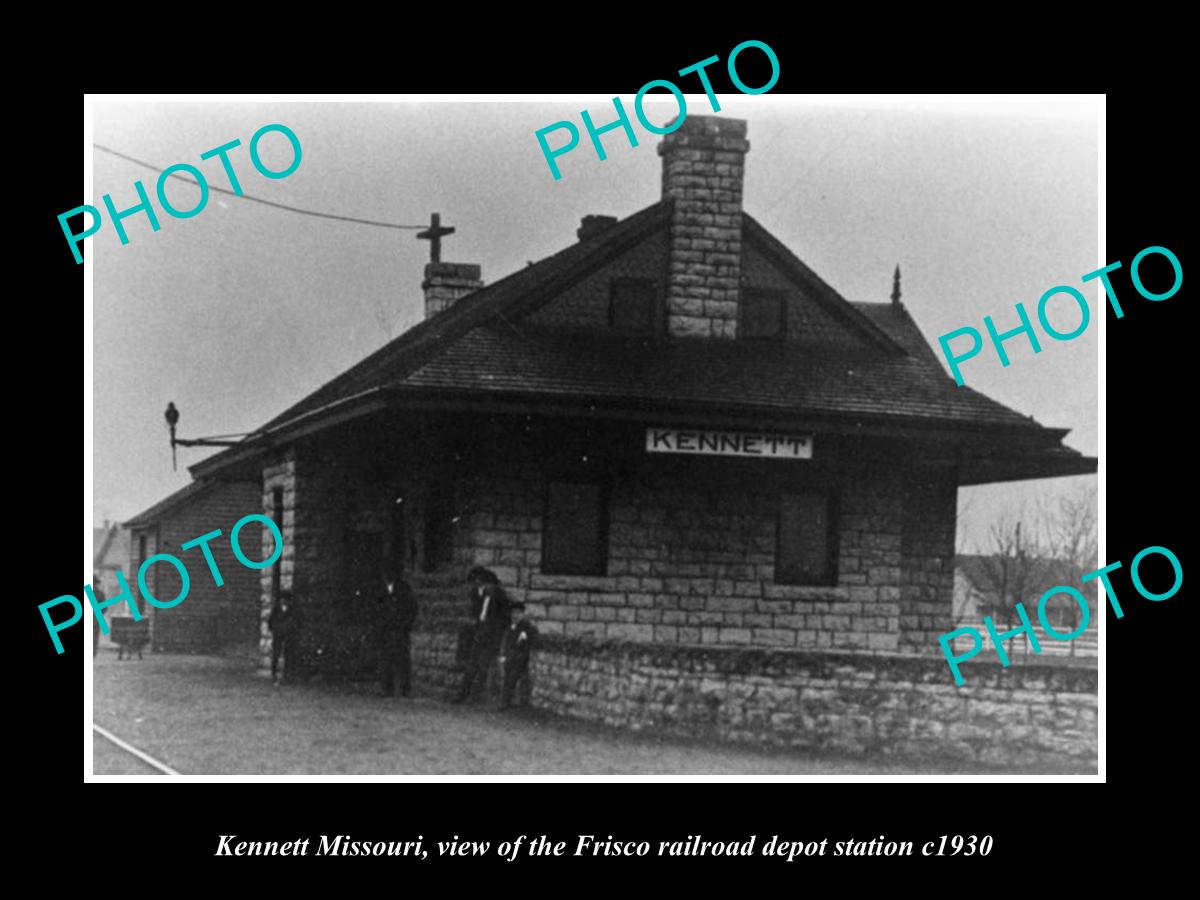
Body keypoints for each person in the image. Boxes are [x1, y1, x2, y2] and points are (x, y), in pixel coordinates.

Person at [453, 566, 511, 704]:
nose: (485, 587)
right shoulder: (480, 594)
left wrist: (493, 629)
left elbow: (505, 619)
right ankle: (462, 694)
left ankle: (475, 696)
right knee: (472, 664)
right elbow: (478, 613)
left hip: (492, 635)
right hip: (480, 632)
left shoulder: (500, 596)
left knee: (483, 666)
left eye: (487, 584)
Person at [377, 571, 418, 698]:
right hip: (387, 630)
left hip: (400, 629)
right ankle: (387, 688)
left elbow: (413, 607)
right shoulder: (381, 589)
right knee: (386, 660)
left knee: (403, 660)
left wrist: (406, 624)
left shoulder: (404, 589)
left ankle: (405, 689)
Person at [499, 601, 538, 710]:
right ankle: (506, 701)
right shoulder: (509, 627)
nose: (515, 616)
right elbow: (505, 642)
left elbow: (533, 639)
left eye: (518, 613)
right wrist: (503, 655)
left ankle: (506, 701)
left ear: (523, 614)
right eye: (513, 613)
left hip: (521, 658)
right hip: (510, 657)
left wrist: (526, 637)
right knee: (507, 676)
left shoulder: (527, 627)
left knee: (513, 676)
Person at [268, 590, 297, 685]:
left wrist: (291, 630)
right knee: (276, 654)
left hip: (288, 635)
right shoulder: (276, 609)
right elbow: (271, 621)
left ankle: (286, 675)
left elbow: (296, 622)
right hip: (278, 635)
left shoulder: (292, 610)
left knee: (288, 655)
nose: (284, 601)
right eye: (282, 599)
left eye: (286, 599)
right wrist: (275, 630)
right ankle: (274, 674)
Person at [92, 575, 105, 655]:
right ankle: (93, 653)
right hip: (95, 619)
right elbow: (104, 608)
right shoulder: (100, 594)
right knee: (94, 637)